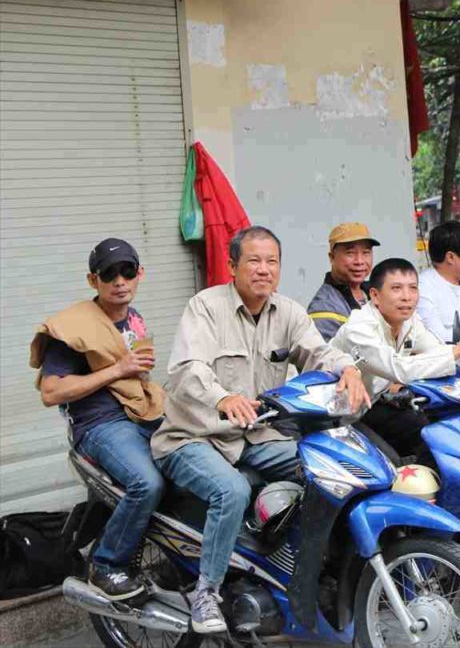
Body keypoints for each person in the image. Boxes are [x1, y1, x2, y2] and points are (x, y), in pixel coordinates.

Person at [151, 226, 369, 634]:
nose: (264, 269)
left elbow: (318, 351)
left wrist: (349, 369)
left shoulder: (287, 312)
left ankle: (295, 568)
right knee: (230, 491)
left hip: (257, 434)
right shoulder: (205, 307)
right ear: (232, 266)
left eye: (272, 261)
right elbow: (187, 369)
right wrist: (221, 398)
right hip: (195, 436)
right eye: (254, 260)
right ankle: (207, 594)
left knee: (328, 472)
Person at [30, 239, 165, 602]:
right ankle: (106, 564)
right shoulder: (73, 329)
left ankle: (179, 559)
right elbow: (51, 392)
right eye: (109, 273)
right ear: (93, 280)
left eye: (127, 271)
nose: (119, 280)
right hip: (99, 425)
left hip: (141, 412)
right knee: (146, 483)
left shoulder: (133, 318)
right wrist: (116, 370)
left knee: (201, 458)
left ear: (140, 275)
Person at [332, 258, 460, 458]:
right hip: (338, 417)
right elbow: (399, 368)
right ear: (375, 295)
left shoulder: (410, 322)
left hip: (370, 405)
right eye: (396, 288)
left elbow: (439, 353)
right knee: (390, 465)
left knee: (432, 437)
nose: (407, 297)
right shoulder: (359, 327)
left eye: (413, 288)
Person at [307, 222, 379, 340]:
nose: (359, 261)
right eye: (350, 253)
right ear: (332, 257)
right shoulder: (324, 306)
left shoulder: (374, 292)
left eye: (366, 252)